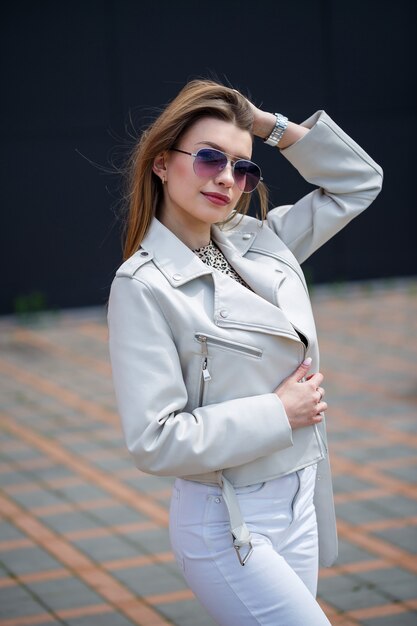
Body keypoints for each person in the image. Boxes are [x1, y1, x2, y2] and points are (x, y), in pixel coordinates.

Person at [107, 79, 383, 626]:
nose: (227, 179)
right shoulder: (142, 286)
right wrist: (279, 412)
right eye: (209, 158)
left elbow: (358, 182)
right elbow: (154, 440)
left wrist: (264, 124)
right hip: (229, 519)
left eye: (243, 167)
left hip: (300, 501)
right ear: (162, 163)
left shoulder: (261, 240)